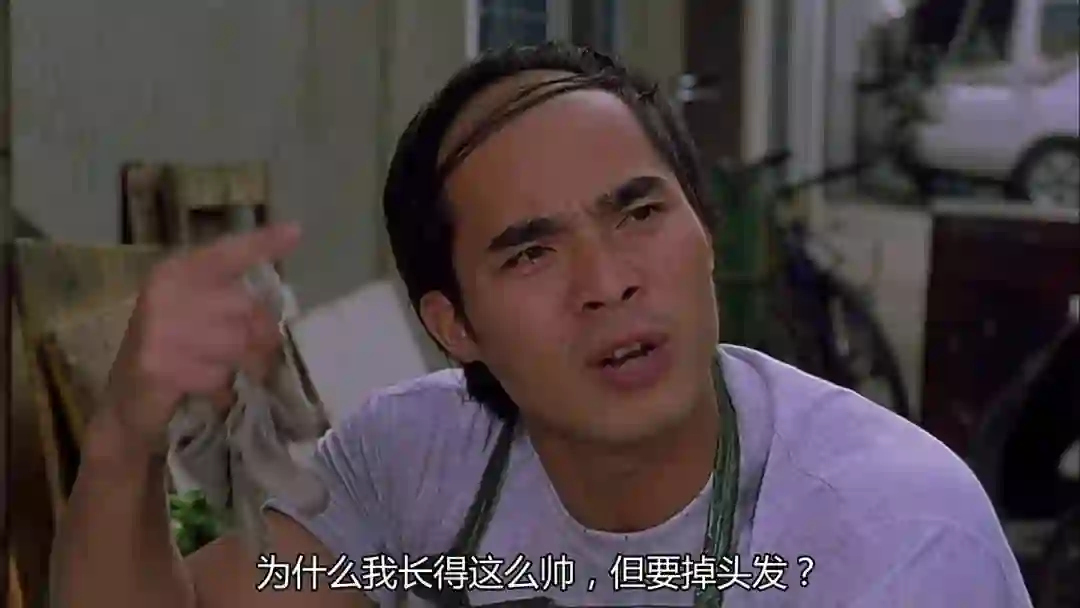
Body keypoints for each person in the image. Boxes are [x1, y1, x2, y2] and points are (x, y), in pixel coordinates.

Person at [51, 42, 1033, 607]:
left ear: (702, 232)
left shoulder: (891, 540)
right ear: (455, 326)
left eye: (638, 212)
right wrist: (125, 442)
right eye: (531, 252)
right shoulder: (417, 462)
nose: (607, 283)